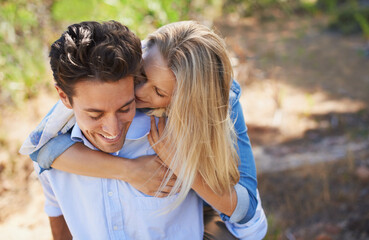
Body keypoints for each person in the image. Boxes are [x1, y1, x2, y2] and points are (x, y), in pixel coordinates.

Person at [21, 21, 267, 239]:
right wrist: (129, 171)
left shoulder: (218, 105)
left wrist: (182, 166)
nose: (137, 92)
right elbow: (40, 148)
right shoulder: (102, 79)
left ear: (183, 104)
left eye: (159, 92)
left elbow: (246, 211)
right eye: (140, 76)